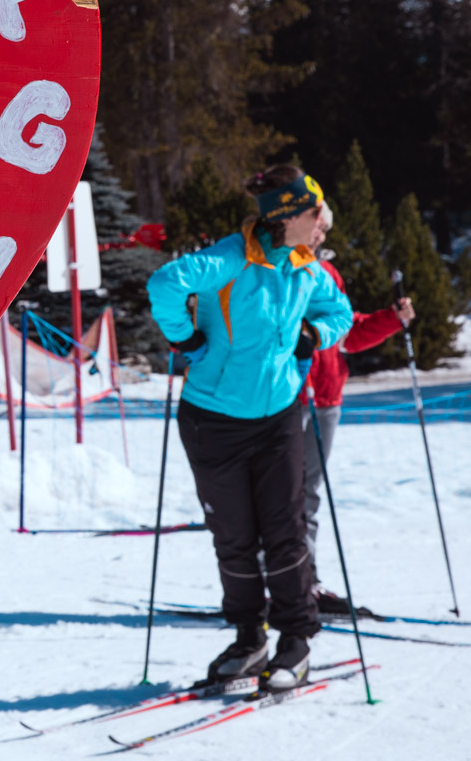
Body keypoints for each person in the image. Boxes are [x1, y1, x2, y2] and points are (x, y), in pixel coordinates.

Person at [146, 165, 353, 691]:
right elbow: (166, 283)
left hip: (278, 419)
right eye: (316, 214)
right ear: (289, 216)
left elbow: (341, 312)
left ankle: (296, 641)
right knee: (234, 536)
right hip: (212, 419)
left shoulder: (307, 267)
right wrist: (187, 340)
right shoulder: (231, 258)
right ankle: (248, 638)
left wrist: (315, 334)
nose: (322, 224)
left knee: (285, 532)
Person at [300, 201, 413, 612]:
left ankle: (305, 582)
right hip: (289, 397)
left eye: (324, 229)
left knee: (307, 495)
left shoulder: (328, 273)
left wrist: (392, 318)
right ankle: (277, 585)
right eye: (317, 226)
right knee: (281, 495)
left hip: (326, 397)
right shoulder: (279, 270)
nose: (321, 235)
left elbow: (347, 332)